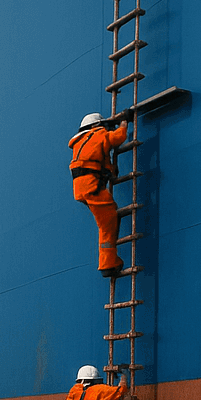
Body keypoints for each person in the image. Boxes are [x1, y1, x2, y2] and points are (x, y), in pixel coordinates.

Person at [68, 111, 128, 276]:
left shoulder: (81, 142)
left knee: (105, 220)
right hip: (91, 187)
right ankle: (108, 264)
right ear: (95, 126)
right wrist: (123, 124)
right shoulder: (97, 134)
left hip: (82, 189)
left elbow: (94, 159)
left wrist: (109, 171)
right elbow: (115, 139)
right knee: (108, 222)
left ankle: (108, 262)